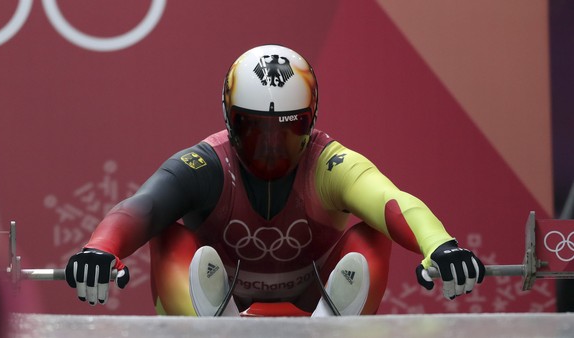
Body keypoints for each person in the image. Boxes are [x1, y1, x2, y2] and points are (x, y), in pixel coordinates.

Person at [65, 45, 485, 316]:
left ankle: (331, 328)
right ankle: (210, 329)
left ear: (311, 121)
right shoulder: (206, 164)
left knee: (374, 234)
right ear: (229, 121)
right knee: (167, 236)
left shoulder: (330, 163)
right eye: (253, 130)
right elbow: (145, 207)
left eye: (287, 130)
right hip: (219, 287)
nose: (270, 148)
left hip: (315, 285)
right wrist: (101, 249)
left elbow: (390, 202)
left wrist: (440, 245)